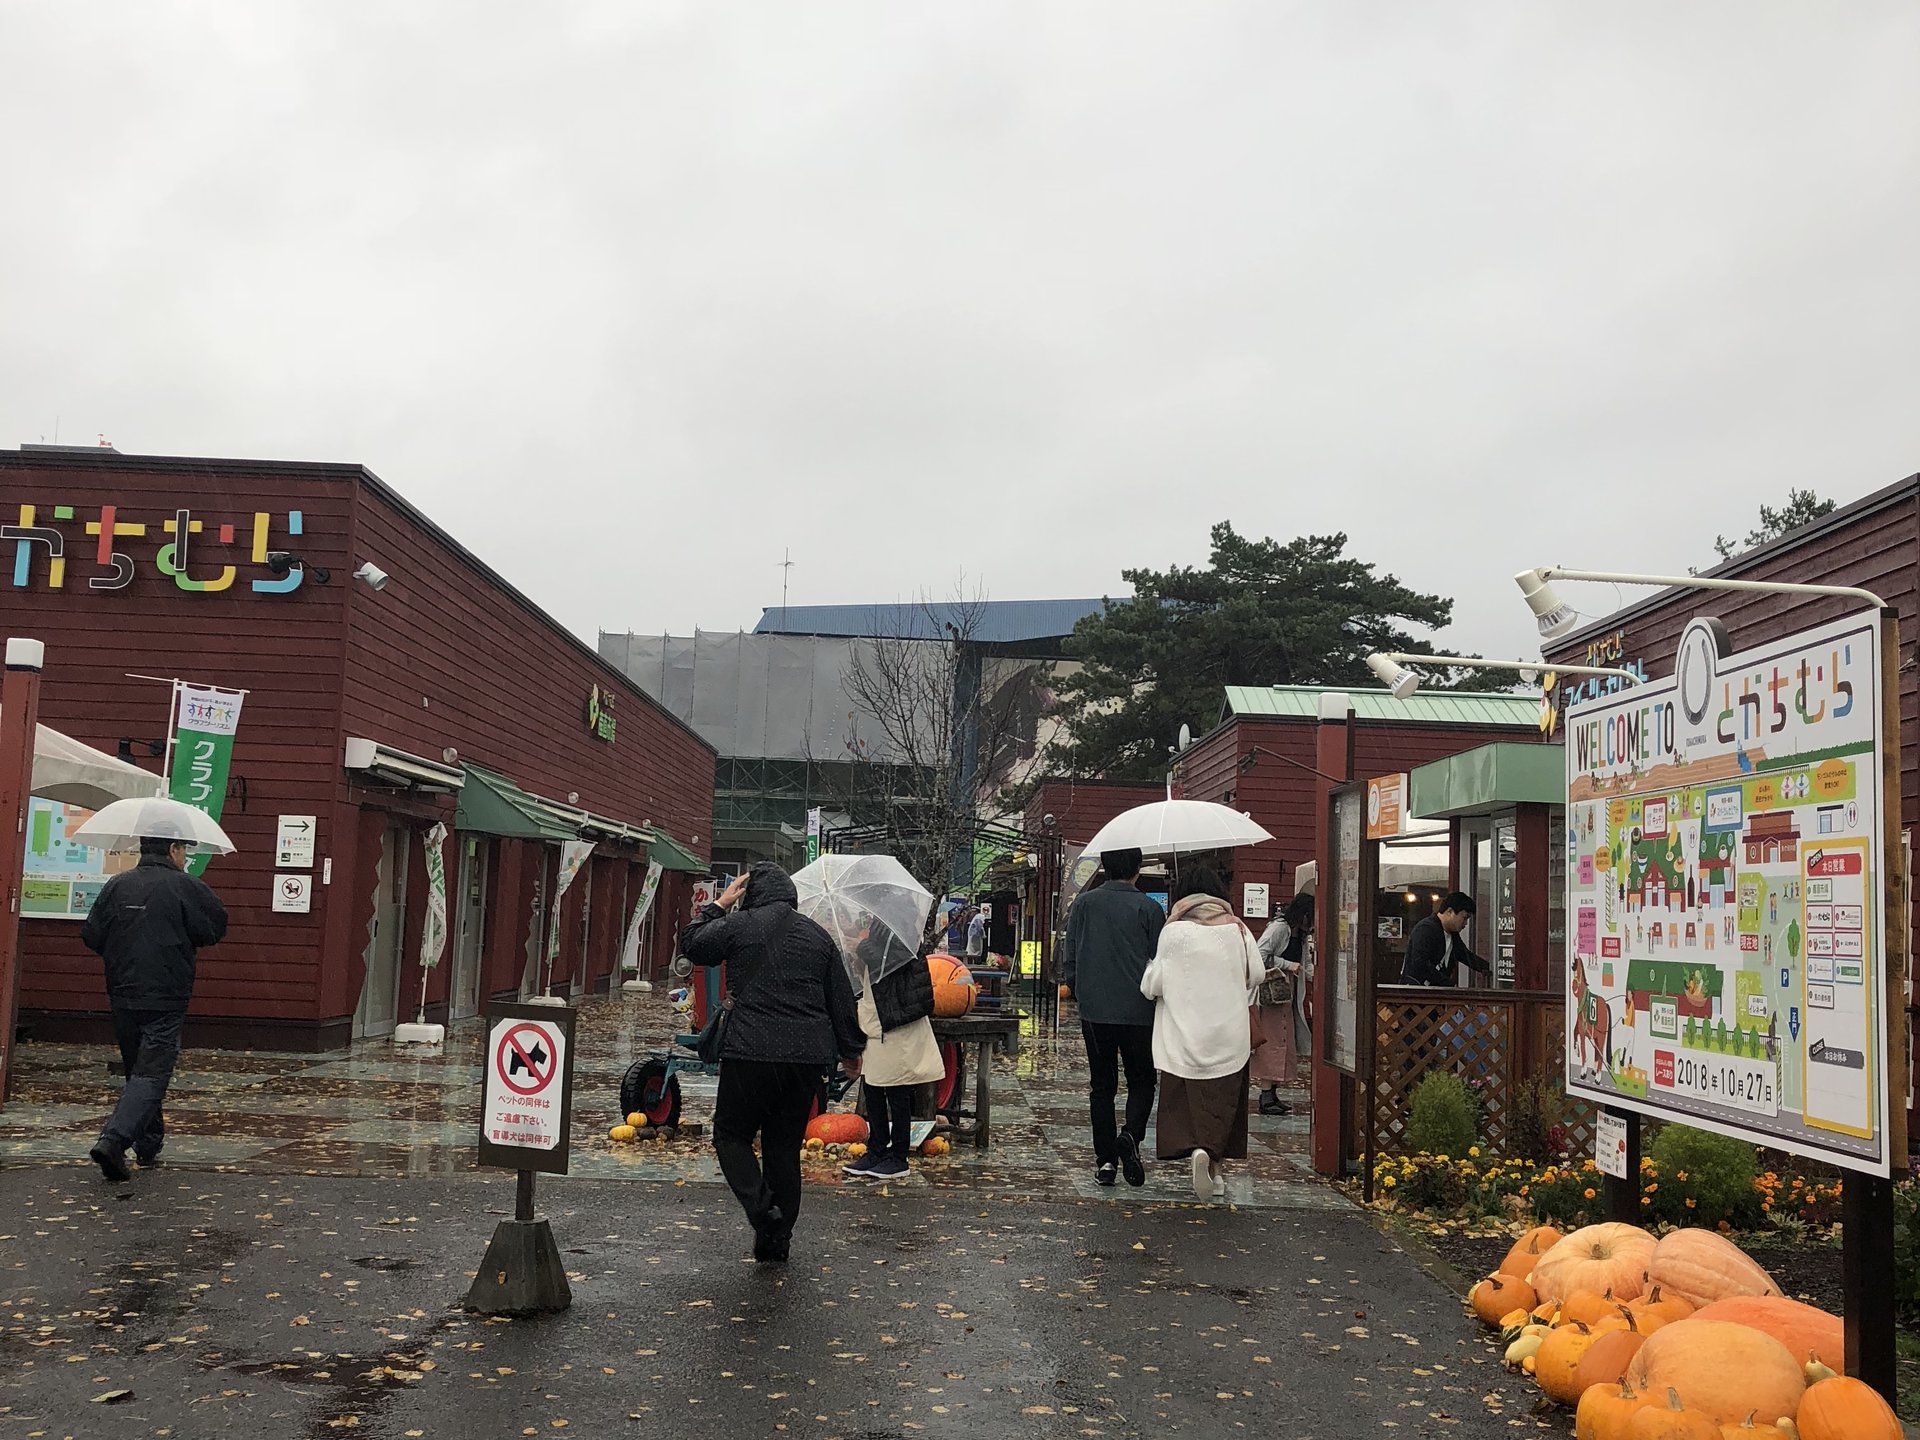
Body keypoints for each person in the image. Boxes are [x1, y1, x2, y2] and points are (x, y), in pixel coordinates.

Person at [684, 861, 865, 1263]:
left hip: (750, 1051)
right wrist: (851, 1052)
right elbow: (839, 999)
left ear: (752, 895)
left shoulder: (740, 924)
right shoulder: (818, 938)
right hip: (805, 1058)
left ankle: (763, 1211)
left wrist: (719, 905)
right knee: (783, 1147)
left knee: (731, 1136)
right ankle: (776, 1242)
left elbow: (693, 945)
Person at [82, 836, 228, 1182]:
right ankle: (114, 1140)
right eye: (185, 851)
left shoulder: (117, 885)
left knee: (139, 1069)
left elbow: (92, 934)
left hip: (122, 989)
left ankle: (148, 1143)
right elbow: (213, 928)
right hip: (167, 992)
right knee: (152, 1072)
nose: (186, 858)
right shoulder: (186, 887)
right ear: (174, 850)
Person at [1140, 866, 1264, 1202]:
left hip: (1184, 1034)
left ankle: (1196, 1149)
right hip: (1229, 1032)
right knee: (1224, 1100)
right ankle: (1216, 1167)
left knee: (1187, 1098)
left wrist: (1154, 967)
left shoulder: (1173, 931)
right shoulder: (1236, 929)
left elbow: (1154, 986)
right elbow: (1257, 974)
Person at [1059, 847, 1165, 1188]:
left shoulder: (1085, 904)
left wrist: (1079, 990)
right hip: (1139, 1009)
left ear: (1104, 867)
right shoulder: (1150, 908)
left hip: (1095, 1009)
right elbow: (1160, 960)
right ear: (1137, 869)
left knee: (1102, 1086)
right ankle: (1131, 1136)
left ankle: (1105, 1161)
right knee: (1142, 1080)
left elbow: (1069, 953)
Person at [843, 927, 941, 1182]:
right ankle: (876, 1149)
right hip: (877, 1021)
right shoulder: (879, 931)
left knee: (897, 1090)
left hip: (896, 1024)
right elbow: (873, 970)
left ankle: (899, 1156)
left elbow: (890, 962)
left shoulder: (904, 932)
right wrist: (858, 958)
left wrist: (861, 947)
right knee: (873, 1088)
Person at [1251, 893, 1314, 1116]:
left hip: (1288, 992)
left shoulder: (1300, 934)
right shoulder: (1279, 929)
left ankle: (1273, 1092)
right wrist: (1287, 965)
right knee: (1273, 1041)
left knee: (1285, 1041)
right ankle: (1266, 1095)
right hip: (1273, 991)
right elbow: (1259, 953)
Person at [1401, 892, 1493, 986]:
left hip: (1433, 992)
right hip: (1416, 992)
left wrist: (1490, 968)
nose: (1465, 923)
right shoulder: (1425, 929)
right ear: (1449, 912)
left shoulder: (1452, 934)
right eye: (1464, 918)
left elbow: (1466, 956)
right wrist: (1447, 983)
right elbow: (1419, 964)